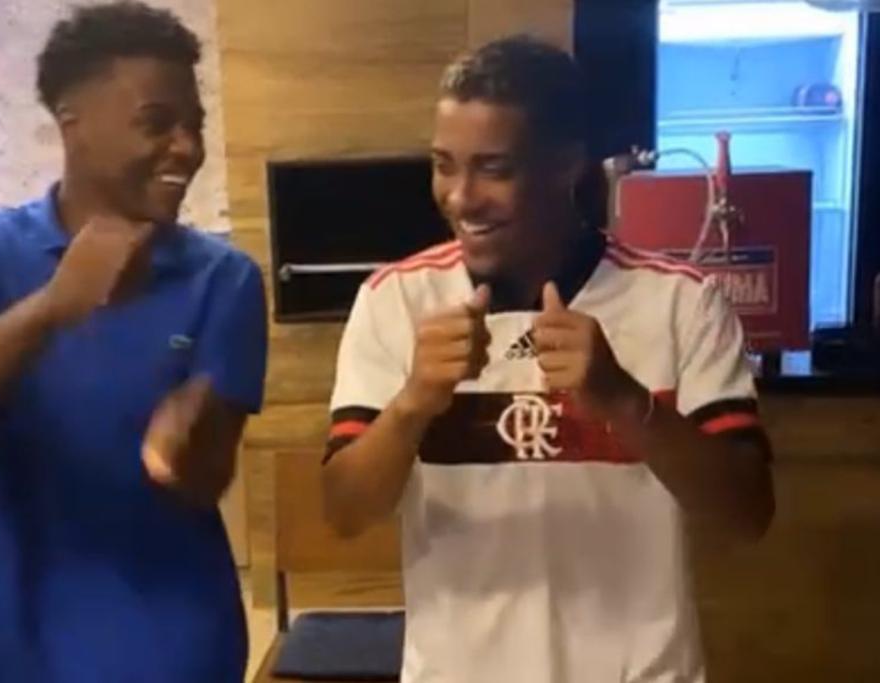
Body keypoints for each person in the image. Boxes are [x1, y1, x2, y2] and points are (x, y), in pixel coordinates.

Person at [322, 35, 774, 683]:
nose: (460, 197)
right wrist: (413, 405)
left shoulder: (682, 302)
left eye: (493, 168)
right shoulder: (394, 300)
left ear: (566, 166)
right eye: (444, 165)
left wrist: (625, 402)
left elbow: (746, 513)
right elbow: (344, 513)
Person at [0, 2, 266, 681]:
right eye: (157, 122)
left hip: (169, 639)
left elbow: (209, 476)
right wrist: (56, 304)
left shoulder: (225, 278)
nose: (187, 147)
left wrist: (187, 443)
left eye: (195, 124)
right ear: (73, 123)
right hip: (6, 639)